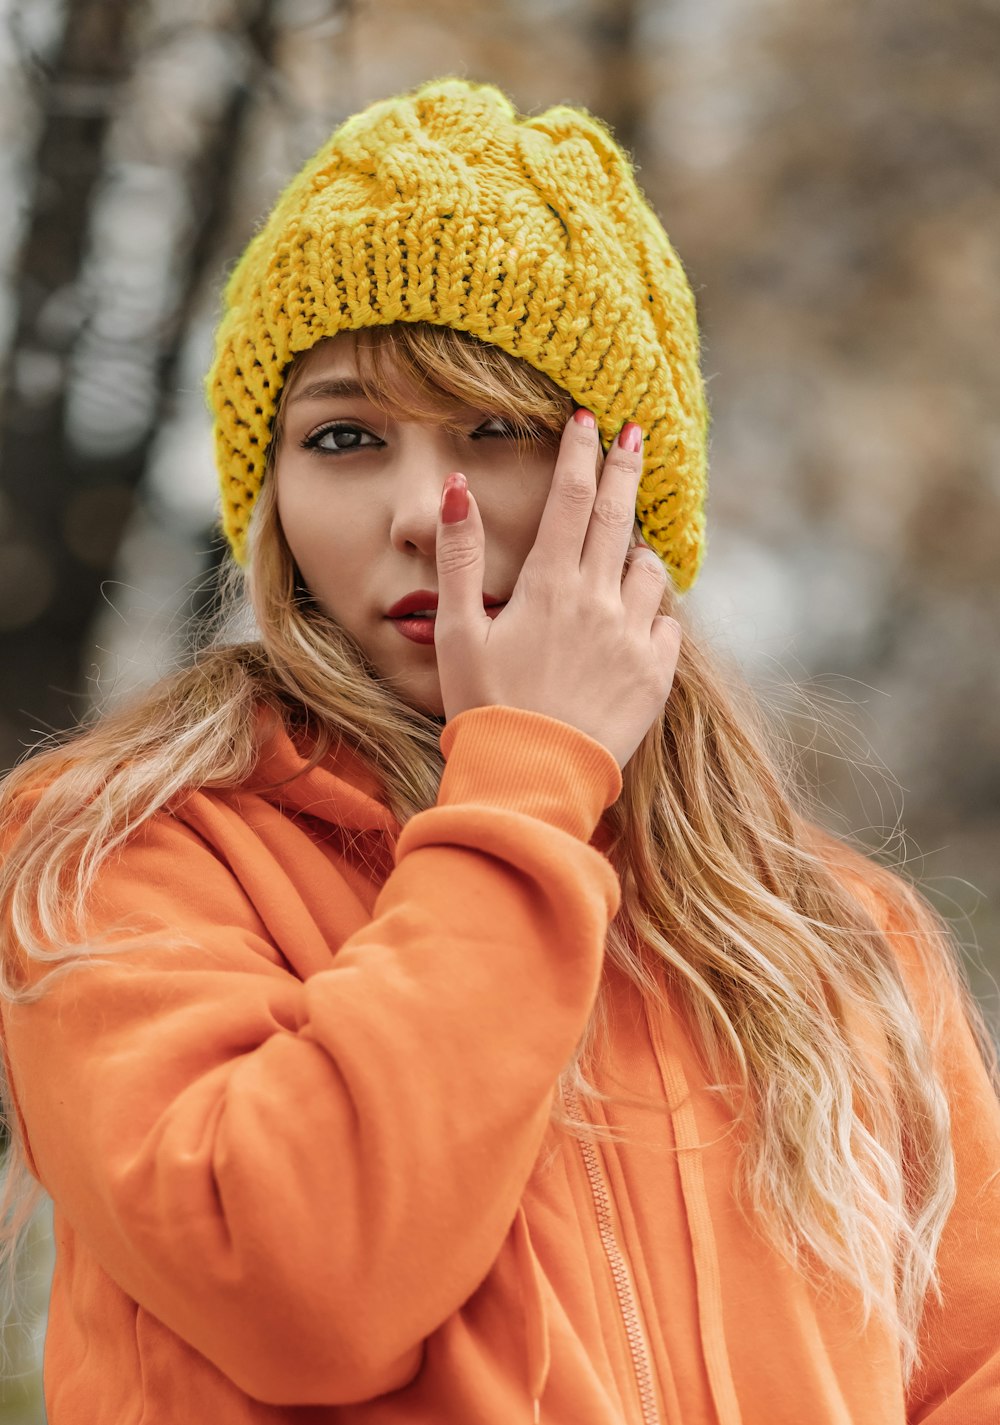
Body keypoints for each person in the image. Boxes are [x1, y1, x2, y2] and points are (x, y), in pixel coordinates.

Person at [0, 77, 997, 1425]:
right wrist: (525, 788)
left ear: (632, 482)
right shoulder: (118, 852)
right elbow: (302, 1286)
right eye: (345, 437)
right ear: (274, 495)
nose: (423, 510)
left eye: (500, 429)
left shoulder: (833, 937)